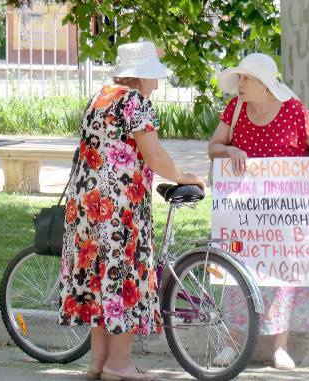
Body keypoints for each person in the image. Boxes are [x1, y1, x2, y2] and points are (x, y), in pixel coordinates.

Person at [58, 41, 204, 381]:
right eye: (154, 77)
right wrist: (185, 176)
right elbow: (154, 156)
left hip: (86, 209)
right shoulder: (136, 102)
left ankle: (98, 362)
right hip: (118, 210)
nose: (157, 84)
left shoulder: (100, 97)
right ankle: (119, 364)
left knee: (98, 281)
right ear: (142, 77)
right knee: (122, 280)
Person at [208, 53, 309, 370]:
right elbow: (213, 147)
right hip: (244, 213)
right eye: (240, 78)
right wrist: (229, 149)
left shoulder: (294, 111)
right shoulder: (235, 110)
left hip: (286, 213)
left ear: (265, 85)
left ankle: (280, 347)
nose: (240, 84)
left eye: (246, 79)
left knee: (283, 276)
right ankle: (232, 344)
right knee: (237, 275)